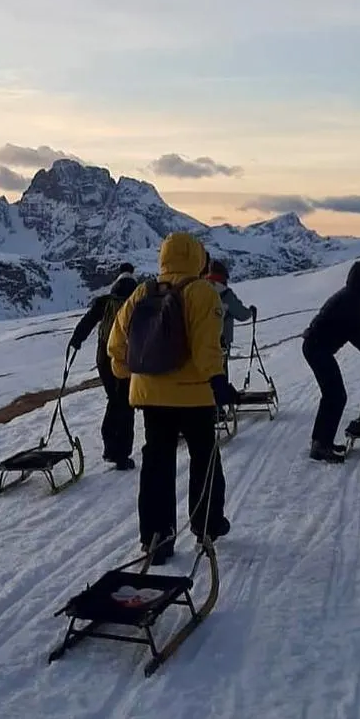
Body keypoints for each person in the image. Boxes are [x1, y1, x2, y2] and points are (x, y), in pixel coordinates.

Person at [107, 232, 238, 564]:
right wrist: (218, 381)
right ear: (196, 258)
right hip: (195, 395)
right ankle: (207, 524)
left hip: (151, 394)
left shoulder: (143, 291)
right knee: (204, 456)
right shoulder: (201, 292)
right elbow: (207, 346)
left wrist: (127, 374)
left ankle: (156, 537)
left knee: (156, 463)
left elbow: (116, 343)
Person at [301, 261, 360, 463]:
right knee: (335, 396)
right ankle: (320, 446)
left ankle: (321, 442)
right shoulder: (351, 302)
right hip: (318, 349)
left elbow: (359, 333)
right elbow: (359, 337)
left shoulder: (350, 298)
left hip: (315, 347)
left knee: (332, 396)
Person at [68, 265, 140, 469]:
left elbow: (87, 322)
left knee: (114, 400)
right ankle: (122, 455)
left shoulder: (105, 302)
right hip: (125, 357)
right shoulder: (135, 303)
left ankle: (110, 448)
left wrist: (76, 340)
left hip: (103, 357)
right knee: (126, 404)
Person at [206, 259, 256, 369]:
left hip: (201, 341)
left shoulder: (199, 290)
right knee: (220, 373)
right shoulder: (226, 295)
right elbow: (242, 314)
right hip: (221, 341)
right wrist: (251, 312)